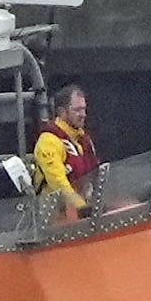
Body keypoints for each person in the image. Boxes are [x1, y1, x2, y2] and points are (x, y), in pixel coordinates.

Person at [32, 82, 102, 221]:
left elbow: (95, 174)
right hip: (55, 220)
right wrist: (82, 208)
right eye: (77, 110)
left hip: (82, 217)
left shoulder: (83, 140)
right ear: (61, 112)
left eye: (84, 109)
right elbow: (58, 183)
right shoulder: (49, 141)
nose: (83, 115)